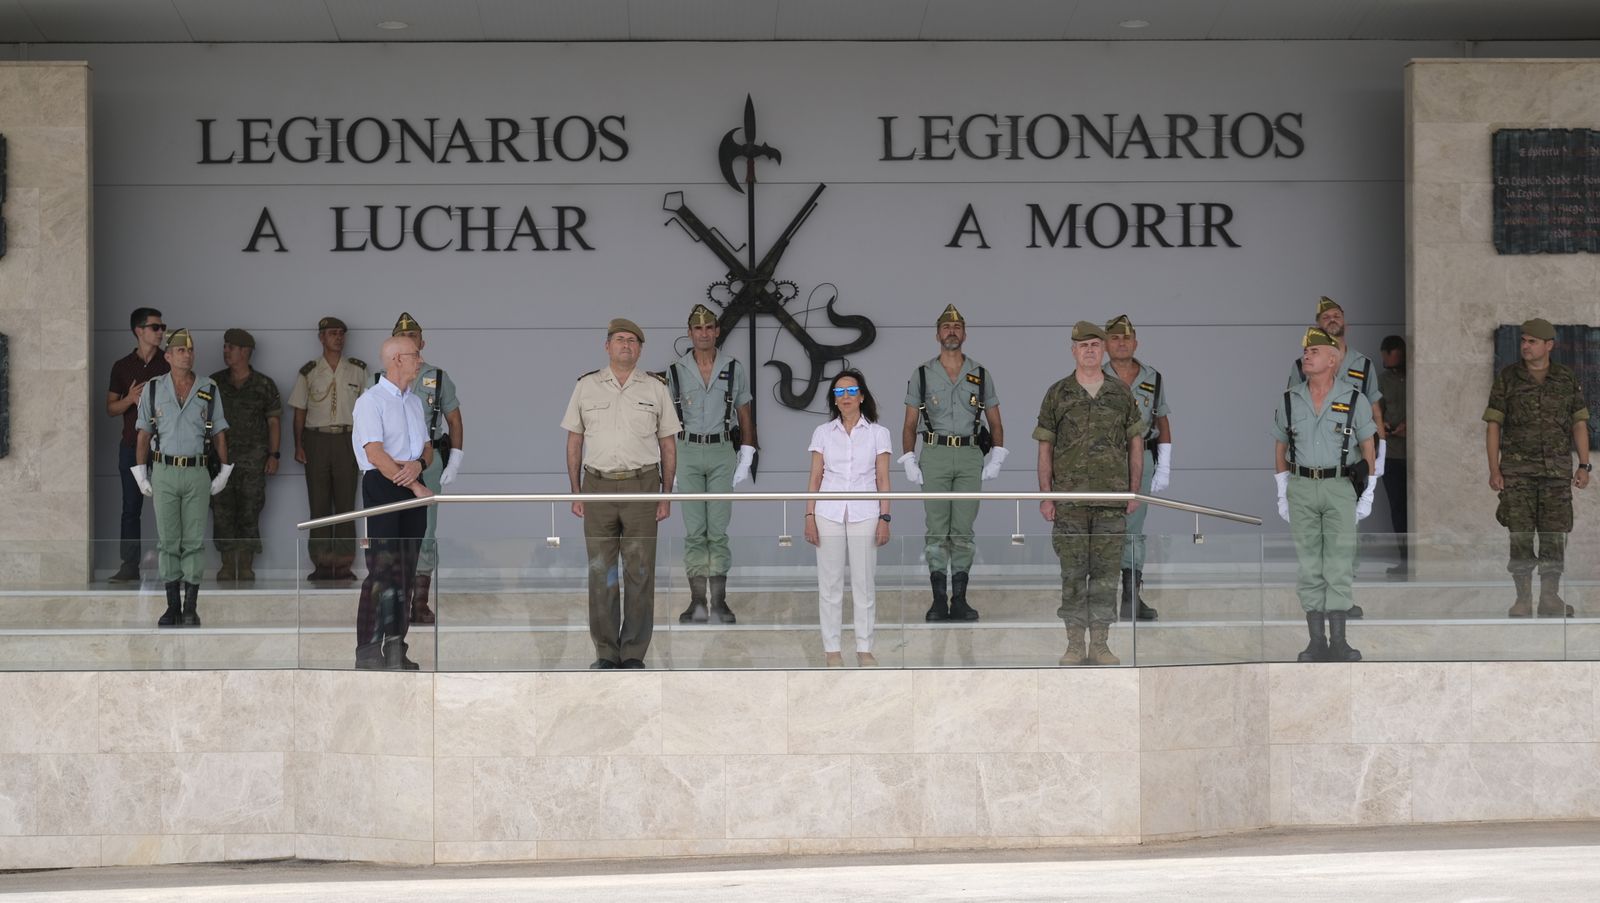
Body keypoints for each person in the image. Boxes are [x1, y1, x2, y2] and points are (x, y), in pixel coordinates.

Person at [562, 318, 679, 670]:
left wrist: (666, 494)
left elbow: (668, 444)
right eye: (619, 340)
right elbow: (574, 441)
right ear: (607, 346)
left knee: (640, 572)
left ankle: (633, 652)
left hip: (642, 485)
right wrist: (576, 492)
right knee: (601, 572)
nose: (626, 345)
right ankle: (606, 652)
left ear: (640, 349)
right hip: (597, 485)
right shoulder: (586, 386)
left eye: (632, 341)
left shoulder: (655, 388)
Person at [1034, 321, 1144, 667]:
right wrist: (1046, 495)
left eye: (1096, 344)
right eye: (1084, 346)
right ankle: (1073, 643)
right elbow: (1045, 447)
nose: (1091, 350)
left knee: (1106, 574)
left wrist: (1133, 490)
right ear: (1073, 351)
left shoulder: (1120, 393)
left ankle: (1100, 642)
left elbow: (1135, 443)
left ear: (1104, 350)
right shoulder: (1058, 393)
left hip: (1111, 500)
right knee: (1072, 573)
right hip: (1070, 502)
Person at [1273, 326, 1377, 663]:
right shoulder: (1290, 398)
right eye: (1306, 352)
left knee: (1339, 563)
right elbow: (1280, 446)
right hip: (1302, 487)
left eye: (1314, 351)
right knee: (1309, 566)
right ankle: (1316, 641)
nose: (1307, 355)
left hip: (1339, 487)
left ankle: (1340, 642)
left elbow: (1367, 445)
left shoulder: (1353, 399)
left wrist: (1369, 489)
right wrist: (1281, 489)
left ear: (1332, 360)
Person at [898, 304, 1005, 623]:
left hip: (971, 455)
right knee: (935, 530)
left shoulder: (981, 373)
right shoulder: (922, 373)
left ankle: (959, 598)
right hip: (935, 454)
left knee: (962, 530)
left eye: (957, 327)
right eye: (946, 327)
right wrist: (908, 458)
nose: (951, 332)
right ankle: (937, 600)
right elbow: (909, 422)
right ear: (937, 334)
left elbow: (995, 420)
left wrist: (997, 454)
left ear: (965, 334)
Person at [1484, 317, 1590, 618]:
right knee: (1519, 537)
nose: (1525, 346)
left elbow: (1579, 423)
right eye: (1523, 340)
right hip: (1517, 474)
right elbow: (1493, 426)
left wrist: (1584, 465)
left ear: (1549, 345)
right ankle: (1522, 598)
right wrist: (1495, 469)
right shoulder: (1508, 377)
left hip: (1556, 475)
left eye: (1532, 341)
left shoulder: (1566, 378)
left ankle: (1550, 597)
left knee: (1555, 537)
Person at [1288, 296, 1385, 618]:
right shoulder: (1303, 364)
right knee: (1316, 544)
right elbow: (1293, 411)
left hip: (1353, 463)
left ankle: (1341, 599)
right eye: (1326, 316)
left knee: (1346, 539)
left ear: (1345, 320)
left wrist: (1378, 455)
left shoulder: (1364, 363)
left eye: (1337, 314)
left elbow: (1372, 408)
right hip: (1318, 462)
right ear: (1318, 324)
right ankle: (1325, 606)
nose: (1332, 319)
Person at [130, 328, 233, 627]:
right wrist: (140, 472)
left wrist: (224, 469)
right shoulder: (152, 389)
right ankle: (171, 606)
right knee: (168, 542)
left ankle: (191, 607)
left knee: (193, 542)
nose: (186, 355)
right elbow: (143, 434)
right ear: (168, 356)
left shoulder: (208, 388)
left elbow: (219, 433)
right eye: (180, 350)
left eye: (190, 350)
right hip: (163, 471)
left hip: (197, 471)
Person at [667, 304, 755, 624]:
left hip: (720, 450)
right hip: (687, 450)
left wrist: (747, 451)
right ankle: (697, 602)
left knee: (717, 530)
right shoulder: (676, 370)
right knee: (694, 531)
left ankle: (719, 602)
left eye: (709, 328)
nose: (703, 334)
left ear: (717, 331)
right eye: (697, 329)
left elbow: (744, 410)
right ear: (689, 333)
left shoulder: (733, 367)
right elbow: (665, 421)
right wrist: (670, 463)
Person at [351, 335, 434, 669]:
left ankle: (397, 648)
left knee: (407, 571)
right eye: (415, 355)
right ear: (397, 359)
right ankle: (369, 651)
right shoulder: (370, 401)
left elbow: (426, 447)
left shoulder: (415, 401)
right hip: (384, 485)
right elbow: (375, 453)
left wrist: (420, 465)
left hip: (411, 483)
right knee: (382, 570)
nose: (420, 360)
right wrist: (414, 484)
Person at [375, 312, 464, 625]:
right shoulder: (379, 381)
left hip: (425, 465)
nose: (410, 344)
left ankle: (419, 602)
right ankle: (394, 602)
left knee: (425, 533)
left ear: (422, 343)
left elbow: (453, 419)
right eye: (403, 339)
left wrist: (455, 458)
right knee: (390, 535)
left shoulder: (437, 377)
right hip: (390, 465)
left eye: (414, 338)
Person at [806, 369, 892, 667]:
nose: (845, 397)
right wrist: (809, 514)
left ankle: (864, 646)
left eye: (851, 391)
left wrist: (885, 517)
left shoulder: (879, 433)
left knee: (864, 582)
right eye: (839, 392)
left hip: (865, 511)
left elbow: (882, 478)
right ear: (834, 398)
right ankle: (831, 648)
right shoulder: (823, 432)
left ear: (862, 396)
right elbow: (816, 476)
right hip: (828, 511)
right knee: (829, 583)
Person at [289, 316, 366, 582]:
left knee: (346, 503)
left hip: (348, 440)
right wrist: (298, 445)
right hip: (317, 440)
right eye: (333, 333)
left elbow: (368, 413)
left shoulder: (357, 371)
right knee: (318, 503)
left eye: (342, 333)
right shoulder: (309, 372)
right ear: (321, 337)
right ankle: (321, 562)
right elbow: (299, 411)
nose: (338, 338)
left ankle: (344, 563)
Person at [1103, 314, 1170, 621]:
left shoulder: (1152, 377)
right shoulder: (1093, 375)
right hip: (1103, 460)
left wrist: (1165, 464)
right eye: (1115, 338)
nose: (1121, 343)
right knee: (1103, 528)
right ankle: (1103, 596)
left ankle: (1131, 598)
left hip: (1140, 459)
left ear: (1135, 342)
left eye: (1126, 338)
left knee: (1134, 530)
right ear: (1106, 344)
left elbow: (1161, 420)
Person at [209, 328, 282, 582]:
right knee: (222, 511)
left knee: (250, 511)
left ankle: (246, 564)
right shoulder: (213, 383)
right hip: (220, 462)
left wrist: (274, 455)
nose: (225, 351)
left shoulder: (264, 384)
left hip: (254, 462)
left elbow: (273, 422)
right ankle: (228, 564)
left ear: (245, 352)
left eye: (231, 347)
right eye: (225, 346)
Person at [105, 307, 171, 582]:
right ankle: (130, 565)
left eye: (162, 327)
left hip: (165, 448)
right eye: (155, 327)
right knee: (131, 508)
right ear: (139, 331)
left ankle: (170, 565)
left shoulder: (169, 363)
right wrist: (130, 399)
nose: (161, 332)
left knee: (168, 507)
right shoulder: (122, 367)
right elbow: (110, 408)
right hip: (131, 447)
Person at [1378, 335, 1408, 578]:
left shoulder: (1414, 378)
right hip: (1393, 454)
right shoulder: (1382, 381)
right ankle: (1405, 559)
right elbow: (1374, 411)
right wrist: (1384, 424)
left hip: (1417, 454)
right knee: (1398, 509)